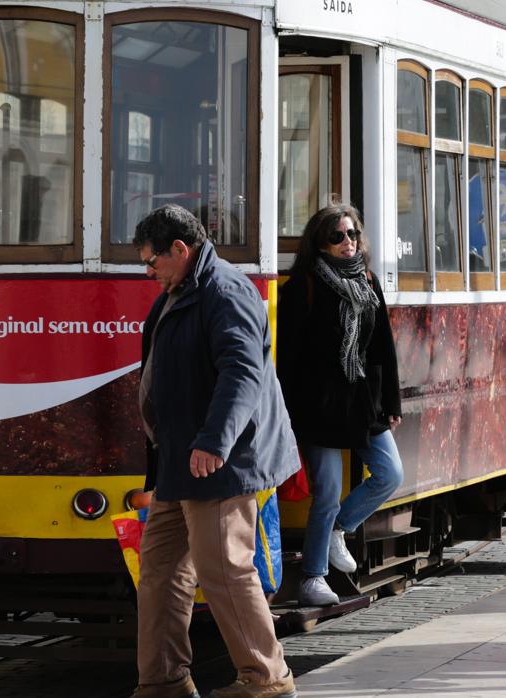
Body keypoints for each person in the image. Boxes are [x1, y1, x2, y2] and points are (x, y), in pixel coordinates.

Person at [133, 204, 299, 698]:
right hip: (179, 460)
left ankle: (267, 678)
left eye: (152, 261)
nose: (148, 272)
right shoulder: (181, 288)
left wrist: (214, 441)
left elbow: (242, 373)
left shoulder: (224, 291)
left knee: (223, 569)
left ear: (180, 250)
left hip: (220, 461)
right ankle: (162, 680)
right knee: (160, 572)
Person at [276, 203, 403, 607]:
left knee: (390, 474)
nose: (348, 242)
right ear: (320, 243)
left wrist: (391, 401)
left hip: (364, 401)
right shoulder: (303, 287)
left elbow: (383, 345)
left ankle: (337, 531)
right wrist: (289, 414)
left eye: (352, 234)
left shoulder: (367, 281)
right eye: (337, 236)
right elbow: (290, 358)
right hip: (319, 405)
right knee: (327, 492)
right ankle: (313, 578)